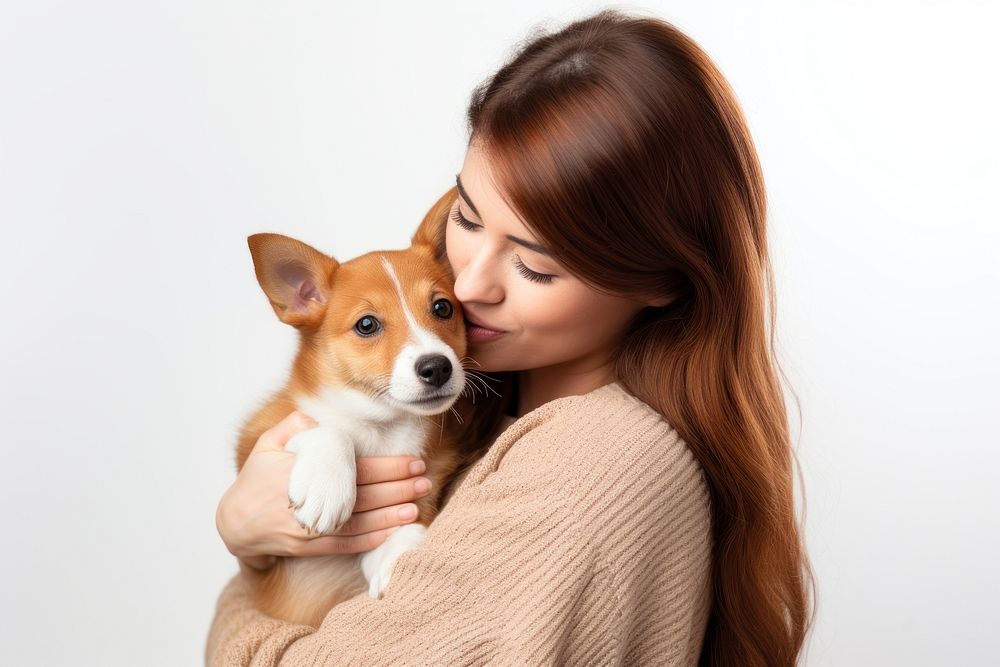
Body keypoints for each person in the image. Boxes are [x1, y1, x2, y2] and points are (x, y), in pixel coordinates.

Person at [207, 8, 816, 666]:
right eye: (466, 217)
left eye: (534, 264)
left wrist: (238, 600)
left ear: (659, 279)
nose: (466, 286)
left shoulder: (588, 473)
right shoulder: (486, 417)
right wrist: (253, 528)